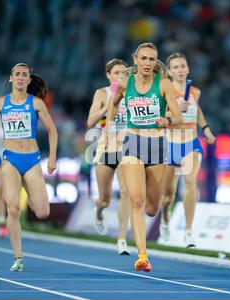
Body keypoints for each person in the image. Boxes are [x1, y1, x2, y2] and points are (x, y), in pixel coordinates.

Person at [106, 43, 182, 272]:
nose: (148, 63)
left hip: (157, 146)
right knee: (136, 201)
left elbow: (177, 116)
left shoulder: (164, 84)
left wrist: (167, 121)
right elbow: (114, 104)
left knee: (151, 208)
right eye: (144, 58)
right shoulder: (125, 83)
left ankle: (152, 220)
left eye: (152, 59)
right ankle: (142, 256)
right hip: (133, 143)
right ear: (135, 60)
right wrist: (110, 128)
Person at [0, 63, 57, 272]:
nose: (21, 78)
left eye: (24, 75)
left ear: (29, 80)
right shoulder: (0, 102)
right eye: (17, 74)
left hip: (31, 159)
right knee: (12, 209)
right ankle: (18, 257)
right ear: (11, 78)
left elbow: (52, 131)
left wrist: (52, 159)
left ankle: (27, 187)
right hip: (9, 158)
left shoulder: (36, 103)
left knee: (43, 213)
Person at [159, 53, 216, 248]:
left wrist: (206, 128)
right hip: (170, 144)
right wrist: (174, 109)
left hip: (191, 143)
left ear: (188, 69)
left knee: (191, 182)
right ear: (169, 72)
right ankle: (165, 219)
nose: (180, 70)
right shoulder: (163, 91)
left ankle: (188, 231)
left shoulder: (195, 92)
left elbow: (197, 111)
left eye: (183, 66)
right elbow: (157, 115)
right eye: (176, 67)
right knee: (168, 196)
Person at [87, 58, 131, 255]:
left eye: (123, 73)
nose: (120, 76)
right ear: (108, 75)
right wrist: (108, 106)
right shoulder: (101, 93)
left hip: (127, 148)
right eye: (116, 73)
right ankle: (98, 212)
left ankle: (122, 238)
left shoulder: (133, 93)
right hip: (106, 149)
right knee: (105, 198)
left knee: (126, 193)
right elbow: (90, 122)